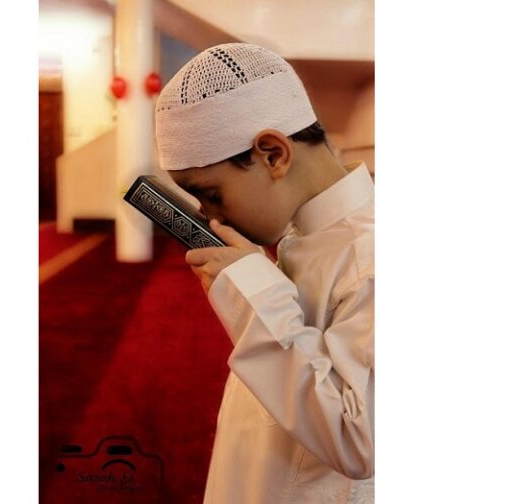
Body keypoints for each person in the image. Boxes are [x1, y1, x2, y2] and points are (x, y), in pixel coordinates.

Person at [154, 43, 374, 503]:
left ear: (273, 154)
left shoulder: (370, 257)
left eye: (212, 195)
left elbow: (358, 440)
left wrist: (256, 301)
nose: (212, 218)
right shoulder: (308, 233)